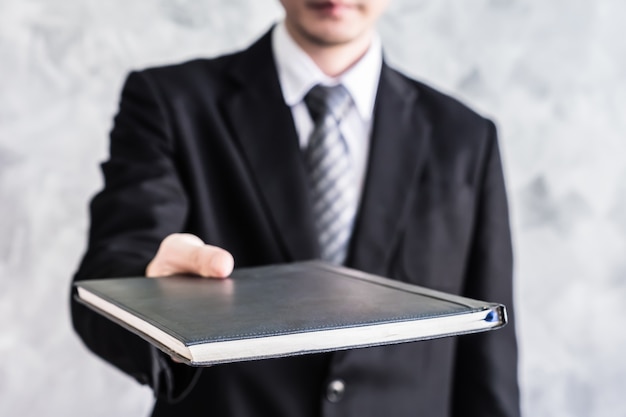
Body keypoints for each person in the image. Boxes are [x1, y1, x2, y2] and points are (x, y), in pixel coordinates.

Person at [71, 0, 521, 416]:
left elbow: (488, 364)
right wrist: (148, 299)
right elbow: (110, 274)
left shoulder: (465, 138)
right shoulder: (170, 102)